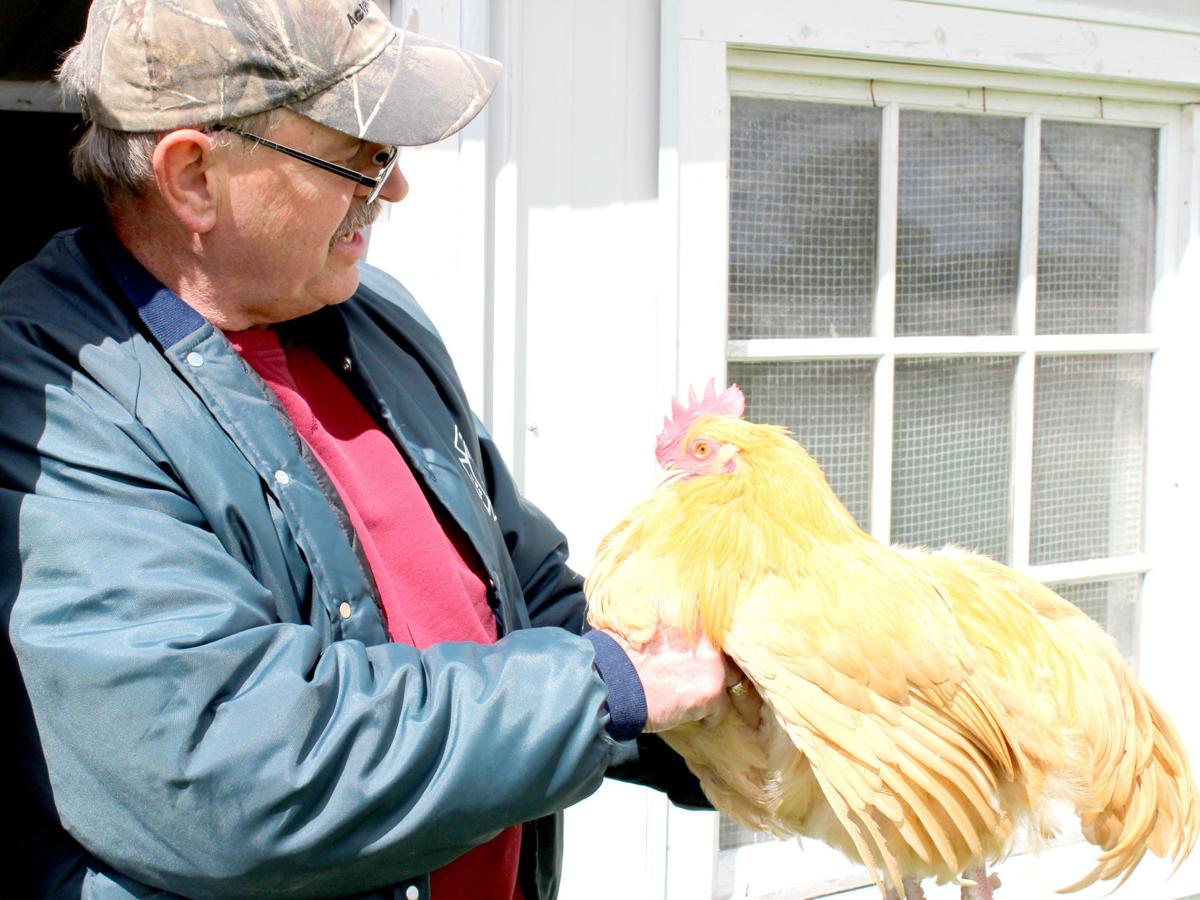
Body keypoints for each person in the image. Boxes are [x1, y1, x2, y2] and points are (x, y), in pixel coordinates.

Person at [0, 1, 738, 897]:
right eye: (361, 154)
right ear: (192, 176)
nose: (394, 190)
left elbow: (531, 600)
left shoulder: (374, 318)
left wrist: (746, 728)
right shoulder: (50, 391)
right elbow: (234, 766)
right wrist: (608, 692)